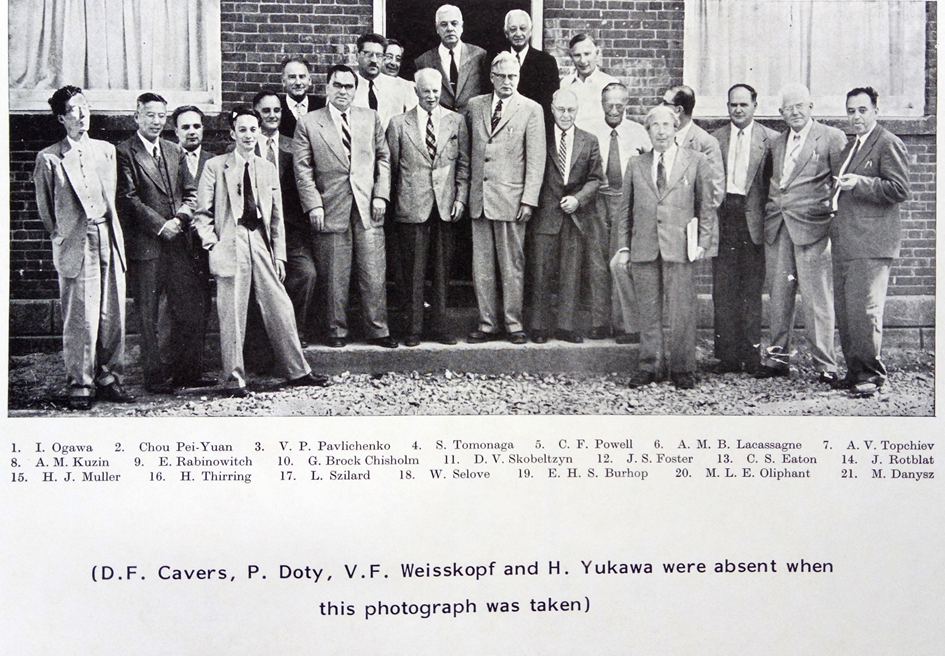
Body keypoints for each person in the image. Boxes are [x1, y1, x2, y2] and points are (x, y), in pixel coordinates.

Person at [193, 106, 329, 396]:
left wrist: (279, 255)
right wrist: (213, 245)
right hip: (232, 240)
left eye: (253, 129)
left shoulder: (267, 168)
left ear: (259, 132)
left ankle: (297, 371)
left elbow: (277, 217)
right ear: (232, 133)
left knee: (280, 305)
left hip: (260, 240)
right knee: (232, 311)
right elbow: (201, 214)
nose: (248, 135)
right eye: (242, 129)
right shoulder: (216, 166)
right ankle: (234, 378)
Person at [33, 85, 133, 410]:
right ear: (62, 117)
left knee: (112, 312)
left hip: (108, 235)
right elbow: (47, 213)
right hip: (77, 241)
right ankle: (80, 383)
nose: (82, 114)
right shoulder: (49, 158)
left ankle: (109, 379)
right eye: (75, 109)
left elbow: (113, 198)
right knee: (81, 316)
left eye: (85, 107)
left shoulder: (106, 151)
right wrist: (65, 236)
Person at [293, 64, 397, 348]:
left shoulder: (370, 118)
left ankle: (377, 329)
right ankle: (335, 330)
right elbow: (303, 169)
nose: (343, 91)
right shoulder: (310, 122)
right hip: (329, 206)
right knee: (334, 274)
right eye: (337, 85)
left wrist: (380, 195)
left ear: (356, 89)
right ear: (326, 88)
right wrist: (313, 205)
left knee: (373, 271)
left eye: (348, 86)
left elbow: (383, 159)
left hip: (367, 206)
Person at [615, 105, 717, 390]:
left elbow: (705, 207)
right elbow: (625, 211)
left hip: (681, 247)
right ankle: (650, 366)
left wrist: (702, 244)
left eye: (666, 125)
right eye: (654, 125)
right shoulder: (636, 164)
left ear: (676, 129)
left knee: (681, 310)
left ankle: (683, 367)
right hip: (644, 247)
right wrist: (624, 247)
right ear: (647, 131)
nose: (660, 130)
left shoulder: (695, 161)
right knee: (648, 311)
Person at [117, 92, 209, 393]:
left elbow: (190, 193)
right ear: (137, 117)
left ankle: (187, 373)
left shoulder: (173, 150)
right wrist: (161, 226)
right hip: (149, 246)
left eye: (161, 116)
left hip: (179, 243)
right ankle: (155, 377)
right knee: (149, 315)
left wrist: (180, 220)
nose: (156, 121)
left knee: (188, 308)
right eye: (150, 115)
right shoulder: (125, 152)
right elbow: (128, 199)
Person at [756, 83, 847, 382]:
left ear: (811, 106)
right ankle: (777, 360)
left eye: (800, 106)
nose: (794, 112)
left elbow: (840, 185)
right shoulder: (776, 143)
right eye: (788, 108)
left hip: (813, 228)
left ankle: (826, 365)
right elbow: (768, 182)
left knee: (816, 298)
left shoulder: (832, 138)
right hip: (779, 228)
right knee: (779, 296)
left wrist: (829, 218)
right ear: (781, 112)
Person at [830, 86, 910, 397]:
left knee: (865, 311)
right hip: (847, 241)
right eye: (851, 111)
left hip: (872, 243)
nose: (856, 117)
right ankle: (855, 371)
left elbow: (899, 189)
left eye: (862, 110)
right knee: (848, 312)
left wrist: (861, 183)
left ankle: (872, 376)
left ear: (875, 110)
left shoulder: (887, 142)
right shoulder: (851, 147)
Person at [464, 52, 545, 345]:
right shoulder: (475, 105)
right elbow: (468, 151)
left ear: (519, 77)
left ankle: (513, 323)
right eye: (502, 76)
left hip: (512, 200)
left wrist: (529, 200)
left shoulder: (531, 109)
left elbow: (536, 160)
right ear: (492, 78)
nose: (508, 81)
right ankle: (487, 324)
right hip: (480, 199)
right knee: (482, 267)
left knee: (512, 266)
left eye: (513, 76)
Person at [387, 68, 470, 347]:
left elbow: (464, 164)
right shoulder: (399, 124)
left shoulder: (456, 121)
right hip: (412, 205)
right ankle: (412, 328)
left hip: (446, 206)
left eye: (436, 91)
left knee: (442, 271)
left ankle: (441, 326)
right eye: (426, 91)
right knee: (413, 271)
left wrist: (460, 198)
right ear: (416, 91)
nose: (432, 96)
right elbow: (393, 168)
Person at [710, 84, 778, 374]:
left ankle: (751, 356)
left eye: (743, 105)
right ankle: (726, 357)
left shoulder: (771, 140)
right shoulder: (716, 139)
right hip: (724, 218)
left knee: (751, 291)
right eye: (733, 105)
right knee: (723, 290)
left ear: (755, 105)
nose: (738, 110)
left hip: (754, 222)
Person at [529, 89, 605, 344]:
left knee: (570, 272)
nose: (566, 115)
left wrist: (578, 199)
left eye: (571, 110)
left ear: (577, 110)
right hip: (544, 215)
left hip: (574, 217)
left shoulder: (589, 140)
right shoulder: (540, 137)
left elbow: (596, 179)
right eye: (561, 109)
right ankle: (539, 326)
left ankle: (566, 326)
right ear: (552, 109)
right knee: (541, 272)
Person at [253, 88, 317, 346]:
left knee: (307, 273)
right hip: (256, 232)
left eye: (276, 110)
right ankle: (263, 340)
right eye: (266, 111)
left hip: (290, 230)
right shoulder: (244, 146)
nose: (272, 115)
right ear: (256, 114)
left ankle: (295, 331)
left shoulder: (294, 146)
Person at [596, 82, 651, 343]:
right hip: (598, 202)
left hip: (626, 204)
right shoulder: (592, 131)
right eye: (610, 104)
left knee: (621, 262)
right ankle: (599, 322)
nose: (614, 110)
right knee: (597, 263)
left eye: (620, 105)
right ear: (602, 104)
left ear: (626, 104)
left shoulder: (639, 133)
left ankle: (623, 324)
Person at [662, 84, 725, 211]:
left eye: (665, 103)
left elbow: (714, 194)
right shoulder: (660, 137)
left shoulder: (706, 143)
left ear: (678, 111)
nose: (660, 107)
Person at [414, 4, 489, 112]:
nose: (450, 29)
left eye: (454, 23)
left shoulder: (479, 55)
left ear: (461, 26)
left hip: (471, 123)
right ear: (437, 29)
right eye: (444, 24)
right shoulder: (424, 61)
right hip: (441, 124)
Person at [503, 9, 559, 134]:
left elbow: (549, 104)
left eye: (523, 28)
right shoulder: (497, 60)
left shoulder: (546, 62)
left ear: (530, 31)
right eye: (513, 29)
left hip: (534, 129)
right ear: (506, 33)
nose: (518, 34)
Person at [352, 33, 418, 130]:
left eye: (378, 55)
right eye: (368, 54)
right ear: (357, 56)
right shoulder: (347, 86)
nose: (374, 60)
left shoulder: (400, 86)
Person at [559, 34, 617, 133]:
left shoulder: (610, 84)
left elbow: (618, 123)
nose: (583, 61)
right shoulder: (565, 84)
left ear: (597, 54)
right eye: (577, 55)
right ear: (571, 57)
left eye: (587, 54)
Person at [279, 55, 325, 139]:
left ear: (309, 81)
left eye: (302, 77)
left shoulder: (322, 106)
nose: (298, 82)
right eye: (292, 77)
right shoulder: (277, 107)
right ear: (284, 82)